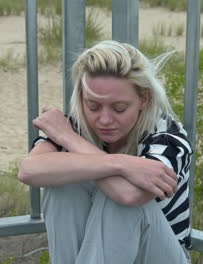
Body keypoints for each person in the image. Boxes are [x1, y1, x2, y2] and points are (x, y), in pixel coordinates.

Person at [18, 40, 193, 264]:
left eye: (119, 108)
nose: (105, 120)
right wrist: (122, 163)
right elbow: (29, 170)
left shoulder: (167, 135)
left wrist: (69, 139)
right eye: (93, 106)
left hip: (160, 256)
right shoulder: (73, 127)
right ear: (82, 96)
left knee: (119, 200)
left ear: (144, 99)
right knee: (64, 185)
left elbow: (130, 195)